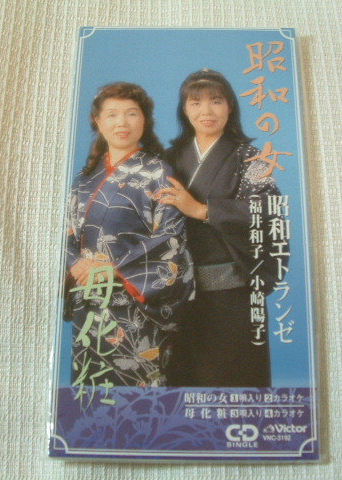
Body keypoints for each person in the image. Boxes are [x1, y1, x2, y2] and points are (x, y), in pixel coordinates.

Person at [158, 69, 284, 387]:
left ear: (230, 107)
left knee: (232, 383)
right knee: (180, 387)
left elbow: (266, 212)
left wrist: (202, 210)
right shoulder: (169, 159)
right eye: (196, 102)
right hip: (177, 296)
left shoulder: (252, 159)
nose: (206, 111)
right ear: (184, 110)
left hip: (232, 295)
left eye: (215, 101)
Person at [64, 82, 194, 388]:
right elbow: (66, 234)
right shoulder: (84, 179)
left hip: (133, 304)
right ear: (98, 122)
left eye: (131, 113)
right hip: (88, 298)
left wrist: (114, 269)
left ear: (144, 120)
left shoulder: (159, 172)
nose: (121, 123)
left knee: (138, 390)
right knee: (90, 389)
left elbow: (171, 237)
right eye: (112, 115)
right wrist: (74, 264)